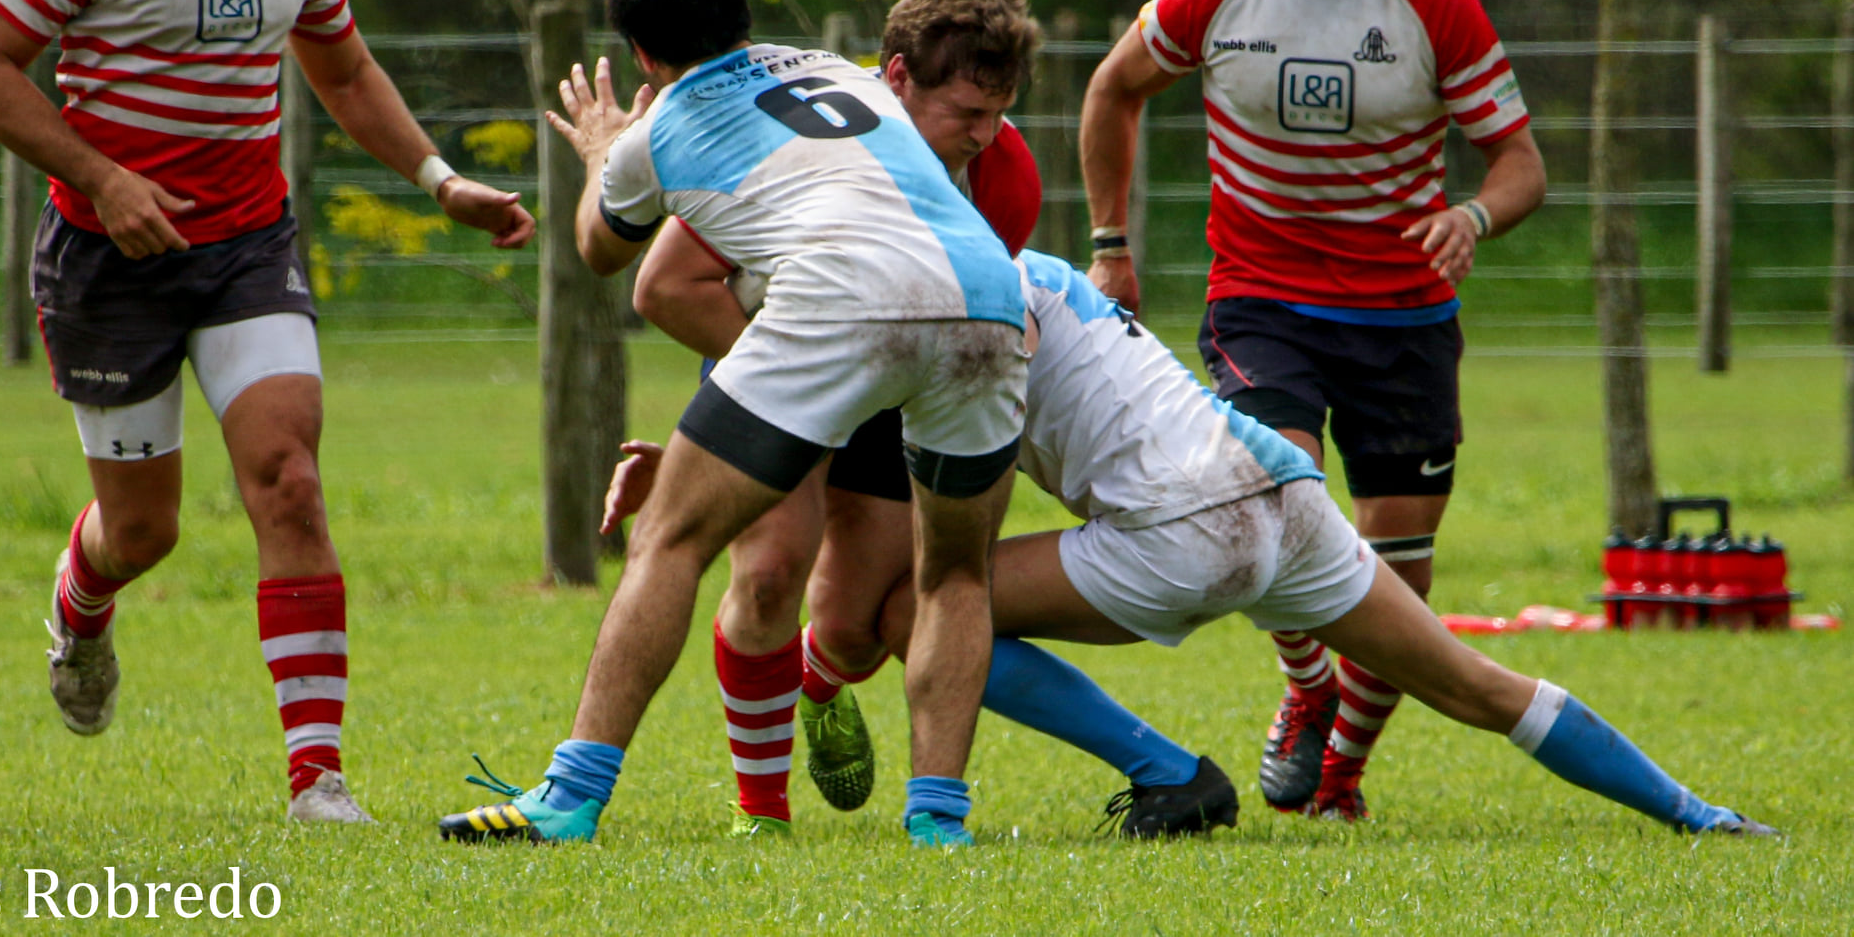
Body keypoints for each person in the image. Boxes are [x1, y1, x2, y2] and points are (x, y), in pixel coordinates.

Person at [603, 250, 1773, 841]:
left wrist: (708, 464)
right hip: (1280, 483)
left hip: (1182, 530)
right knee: (1479, 685)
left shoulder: (941, 302)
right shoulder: (1032, 268)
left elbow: (858, 436)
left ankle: (1168, 772)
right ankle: (1699, 817)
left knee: (925, 608)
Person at [0, 0, 534, 823]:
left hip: (246, 244)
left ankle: (319, 781)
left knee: (290, 479)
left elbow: (347, 73)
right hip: (106, 259)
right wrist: (108, 182)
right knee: (145, 531)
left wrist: (439, 179)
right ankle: (81, 607)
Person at [438, 0, 1027, 848]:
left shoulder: (657, 129)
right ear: (744, 11)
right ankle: (940, 824)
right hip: (993, 294)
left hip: (844, 293)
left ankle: (570, 795)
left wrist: (599, 147)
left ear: (637, 46)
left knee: (668, 536)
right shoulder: (838, 71)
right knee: (953, 569)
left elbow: (600, 250)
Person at [1078, 0, 1548, 820]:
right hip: (1263, 301)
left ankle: (1342, 774)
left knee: (1401, 582)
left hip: (1405, 316)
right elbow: (1112, 90)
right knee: (1271, 512)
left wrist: (1472, 218)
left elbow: (1519, 160)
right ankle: (1306, 687)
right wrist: (1112, 246)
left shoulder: (1435, 0)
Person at [622, 0, 1043, 838]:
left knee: (854, 626)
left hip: (906, 366)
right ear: (893, 80)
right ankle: (760, 809)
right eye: (967, 113)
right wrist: (789, 402)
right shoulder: (800, 136)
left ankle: (817, 684)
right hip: (788, 345)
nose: (985, 135)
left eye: (1000, 114)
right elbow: (665, 286)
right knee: (770, 572)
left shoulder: (1007, 178)